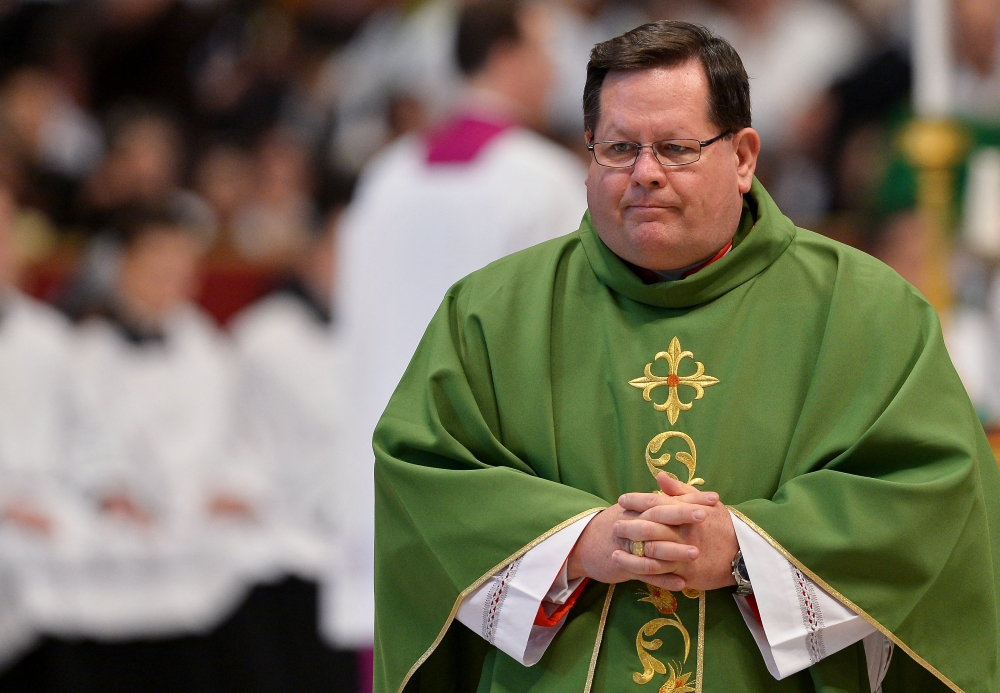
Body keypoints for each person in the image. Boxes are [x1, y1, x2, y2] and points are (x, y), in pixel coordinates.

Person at [374, 20, 1000, 693]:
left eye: (675, 147)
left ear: (744, 157)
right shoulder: (491, 314)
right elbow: (423, 482)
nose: (644, 173)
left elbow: (935, 500)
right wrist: (578, 542)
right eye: (618, 148)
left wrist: (741, 549)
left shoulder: (868, 312)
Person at [333, 0, 587, 648]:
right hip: (490, 471)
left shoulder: (386, 175)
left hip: (385, 455)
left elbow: (355, 330)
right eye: (544, 50)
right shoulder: (546, 180)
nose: (555, 68)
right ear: (505, 56)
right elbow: (564, 341)